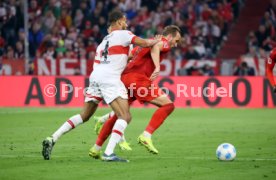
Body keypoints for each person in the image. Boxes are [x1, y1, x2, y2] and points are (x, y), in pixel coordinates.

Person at [42, 10, 160, 162]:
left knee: (84, 115)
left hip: (96, 76)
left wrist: (130, 57)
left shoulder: (103, 42)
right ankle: (109, 153)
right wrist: (155, 41)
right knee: (125, 115)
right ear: (118, 22)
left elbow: (118, 58)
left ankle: (52, 138)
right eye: (124, 20)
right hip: (109, 78)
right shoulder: (124, 34)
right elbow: (144, 43)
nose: (126, 23)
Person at [89, 25, 182, 159]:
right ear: (169, 36)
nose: (176, 45)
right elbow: (156, 47)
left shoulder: (142, 45)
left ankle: (96, 148)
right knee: (168, 105)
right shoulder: (163, 41)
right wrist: (157, 67)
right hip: (138, 80)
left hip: (125, 78)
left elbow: (128, 57)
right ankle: (146, 135)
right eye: (176, 40)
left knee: (119, 115)